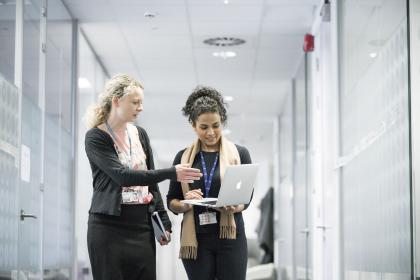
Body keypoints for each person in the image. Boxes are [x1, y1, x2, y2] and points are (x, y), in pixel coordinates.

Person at [84, 74, 202, 280]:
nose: (141, 107)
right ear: (116, 101)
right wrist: (171, 172)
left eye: (142, 102)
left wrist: (163, 220)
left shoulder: (140, 134)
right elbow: (122, 176)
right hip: (108, 228)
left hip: (141, 227)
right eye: (135, 102)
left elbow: (151, 183)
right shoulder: (96, 137)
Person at [167, 86, 253, 280]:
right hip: (196, 237)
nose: (211, 132)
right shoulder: (183, 157)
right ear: (193, 125)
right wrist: (184, 204)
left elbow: (246, 198)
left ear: (222, 121)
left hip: (231, 237)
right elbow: (172, 200)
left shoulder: (240, 154)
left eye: (216, 125)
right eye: (204, 127)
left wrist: (236, 205)